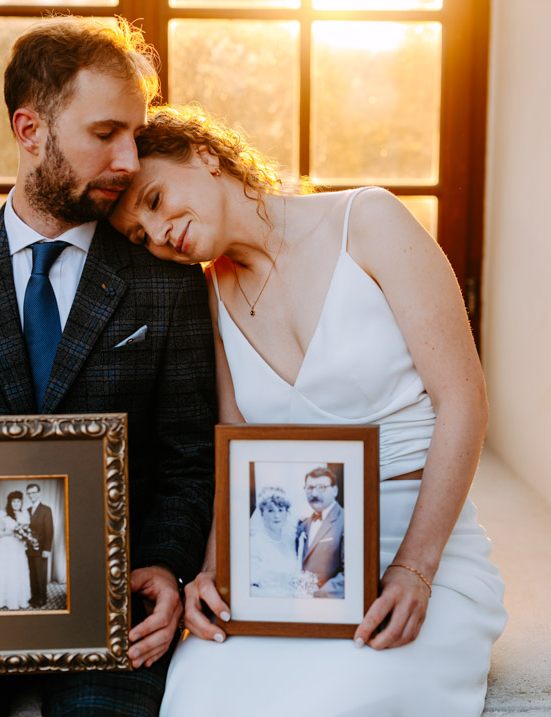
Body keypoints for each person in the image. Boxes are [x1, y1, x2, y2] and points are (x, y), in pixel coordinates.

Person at [109, 105, 507, 717]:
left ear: (205, 154)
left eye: (155, 200)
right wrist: (216, 570)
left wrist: (414, 569)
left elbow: (464, 400)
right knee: (199, 692)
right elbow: (237, 446)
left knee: (348, 697)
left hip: (420, 542)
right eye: (141, 236)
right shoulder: (209, 294)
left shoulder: (369, 221)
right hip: (291, 568)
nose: (159, 234)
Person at [0, 19, 217, 717]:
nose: (129, 160)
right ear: (29, 130)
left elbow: (188, 455)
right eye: (105, 133)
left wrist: (166, 564)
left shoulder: (167, 280)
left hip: (113, 596)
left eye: (135, 135)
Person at [294, 467, 345, 599]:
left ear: (335, 490)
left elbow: (352, 572)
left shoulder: (346, 520)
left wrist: (318, 596)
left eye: (321, 487)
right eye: (310, 488)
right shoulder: (302, 525)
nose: (314, 493)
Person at [249, 486, 298, 597]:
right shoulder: (255, 543)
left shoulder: (289, 543)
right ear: (262, 513)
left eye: (280, 510)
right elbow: (250, 588)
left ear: (286, 513)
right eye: (270, 511)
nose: (277, 516)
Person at [0, 491, 33, 610]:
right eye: (13, 501)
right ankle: (2, 599)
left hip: (18, 547)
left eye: (18, 501)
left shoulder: (25, 514)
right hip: (6, 546)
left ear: (21, 502)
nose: (16, 504)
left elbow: (27, 531)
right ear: (10, 502)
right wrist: (8, 533)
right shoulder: (3, 514)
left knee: (18, 571)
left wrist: (24, 536)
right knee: (6, 571)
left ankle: (19, 599)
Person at [25, 483, 53, 607]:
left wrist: (47, 549)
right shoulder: (27, 511)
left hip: (41, 548)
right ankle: (35, 596)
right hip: (29, 548)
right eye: (29, 493)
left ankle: (42, 597)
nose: (31, 495)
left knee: (41, 573)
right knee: (32, 573)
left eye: (34, 492)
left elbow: (49, 530)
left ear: (39, 493)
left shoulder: (46, 510)